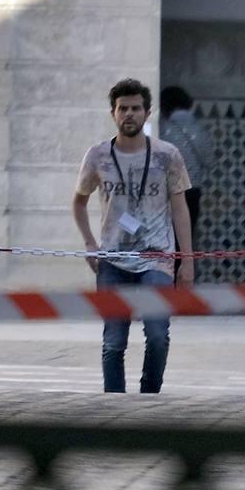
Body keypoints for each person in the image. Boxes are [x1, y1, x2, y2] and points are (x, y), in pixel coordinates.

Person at [73, 78, 194, 394]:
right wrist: (89, 243)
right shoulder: (98, 156)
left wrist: (187, 260)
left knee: (157, 335)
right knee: (113, 342)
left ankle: (148, 397)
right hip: (112, 260)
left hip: (157, 259)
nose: (130, 114)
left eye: (136, 108)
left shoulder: (167, 155)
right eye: (123, 108)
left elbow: (180, 209)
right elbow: (79, 201)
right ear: (113, 112)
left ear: (148, 112)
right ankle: (115, 404)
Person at [158, 85, 215, 245]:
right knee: (185, 241)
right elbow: (209, 160)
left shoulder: (162, 129)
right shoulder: (199, 128)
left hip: (167, 191)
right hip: (192, 190)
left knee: (167, 242)